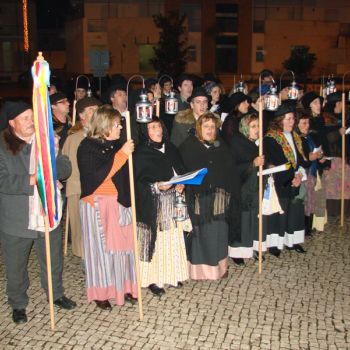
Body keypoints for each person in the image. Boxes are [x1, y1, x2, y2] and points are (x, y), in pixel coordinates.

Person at [0, 101, 76, 325]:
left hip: (47, 211)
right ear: (12, 122)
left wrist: (51, 166)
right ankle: (17, 303)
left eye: (32, 117)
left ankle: (56, 294)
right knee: (16, 265)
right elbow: (2, 180)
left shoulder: (46, 141)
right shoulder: (3, 146)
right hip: (17, 218)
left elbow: (66, 167)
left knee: (52, 259)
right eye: (25, 118)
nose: (31, 121)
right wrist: (32, 180)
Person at [77, 105, 137, 310]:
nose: (120, 128)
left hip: (120, 203)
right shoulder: (87, 147)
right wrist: (122, 155)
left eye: (120, 124)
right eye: (116, 124)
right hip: (98, 205)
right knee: (101, 253)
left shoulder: (118, 145)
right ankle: (101, 292)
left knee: (125, 250)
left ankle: (126, 288)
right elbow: (96, 176)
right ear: (104, 126)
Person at [179, 112, 240, 280]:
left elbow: (231, 172)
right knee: (202, 233)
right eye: (206, 126)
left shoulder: (221, 147)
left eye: (213, 127)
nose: (210, 130)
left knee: (219, 231)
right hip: (198, 197)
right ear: (199, 128)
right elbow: (183, 170)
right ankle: (201, 271)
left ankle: (220, 268)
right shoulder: (188, 146)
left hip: (219, 197)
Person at [134, 117, 189, 295]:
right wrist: (156, 186)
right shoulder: (141, 153)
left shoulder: (171, 147)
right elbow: (136, 183)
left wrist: (182, 183)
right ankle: (152, 280)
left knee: (171, 239)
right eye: (152, 127)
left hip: (172, 202)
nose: (157, 130)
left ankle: (171, 275)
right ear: (145, 132)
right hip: (153, 204)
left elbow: (180, 170)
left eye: (158, 126)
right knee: (156, 241)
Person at [263, 102, 308, 257]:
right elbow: (279, 161)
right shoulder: (271, 138)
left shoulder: (296, 137)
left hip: (294, 178)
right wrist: (292, 178)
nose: (292, 122)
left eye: (293, 119)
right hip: (280, 181)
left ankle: (292, 241)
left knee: (294, 212)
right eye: (288, 119)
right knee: (279, 213)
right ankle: (275, 244)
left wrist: (300, 175)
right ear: (279, 120)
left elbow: (301, 159)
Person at [62, 97, 101, 259]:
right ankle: (86, 261)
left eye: (97, 109)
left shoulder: (103, 135)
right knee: (82, 228)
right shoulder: (74, 138)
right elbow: (69, 168)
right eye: (91, 110)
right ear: (82, 116)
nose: (95, 113)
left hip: (101, 189)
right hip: (80, 190)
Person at [228, 114, 266, 264]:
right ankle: (237, 251)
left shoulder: (258, 143)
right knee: (243, 219)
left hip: (255, 187)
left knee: (254, 218)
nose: (257, 129)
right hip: (242, 189)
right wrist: (252, 164)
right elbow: (232, 168)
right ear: (245, 128)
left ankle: (252, 247)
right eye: (253, 126)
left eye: (258, 126)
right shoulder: (237, 143)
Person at [295, 111, 329, 234]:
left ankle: (308, 227)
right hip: (303, 173)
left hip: (313, 172)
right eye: (303, 123)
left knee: (311, 200)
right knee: (304, 200)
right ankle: (303, 228)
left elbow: (317, 150)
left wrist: (320, 156)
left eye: (308, 122)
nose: (307, 125)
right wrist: (311, 157)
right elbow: (302, 156)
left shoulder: (311, 136)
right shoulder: (296, 138)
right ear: (297, 124)